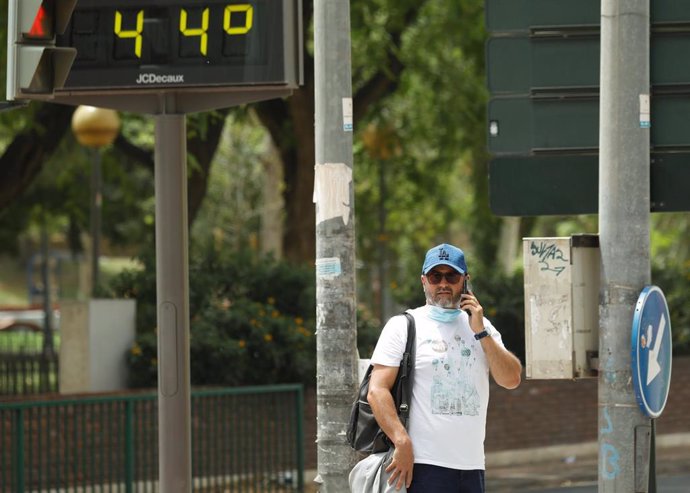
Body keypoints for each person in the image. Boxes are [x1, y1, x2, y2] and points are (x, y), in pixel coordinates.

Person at [367, 243, 522, 492]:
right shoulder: (403, 325)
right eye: (435, 276)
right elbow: (377, 390)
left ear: (465, 281)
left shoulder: (482, 327)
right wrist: (401, 440)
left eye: (451, 276)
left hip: (471, 466)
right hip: (422, 465)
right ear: (424, 281)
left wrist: (481, 332)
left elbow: (511, 379)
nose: (443, 283)